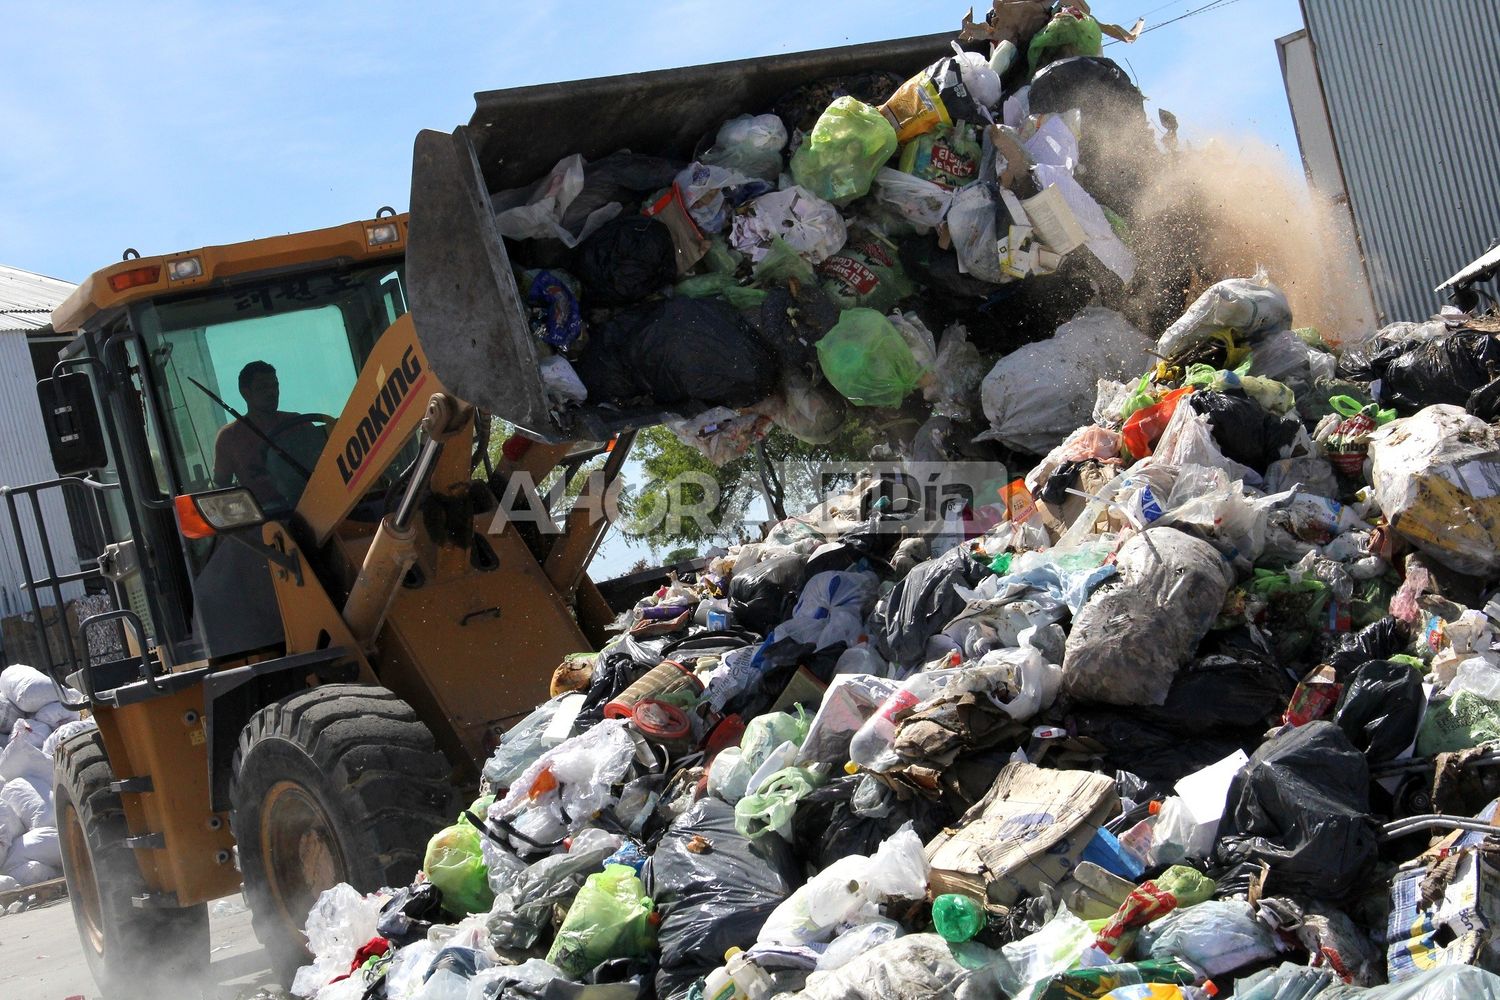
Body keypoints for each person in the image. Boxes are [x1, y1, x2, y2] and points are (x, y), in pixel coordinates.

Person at [213, 361, 330, 506]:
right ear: (245, 393)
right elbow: (221, 485)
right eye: (263, 387)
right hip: (264, 516)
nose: (272, 392)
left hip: (312, 503)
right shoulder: (229, 437)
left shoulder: (299, 423)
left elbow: (326, 462)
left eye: (275, 386)